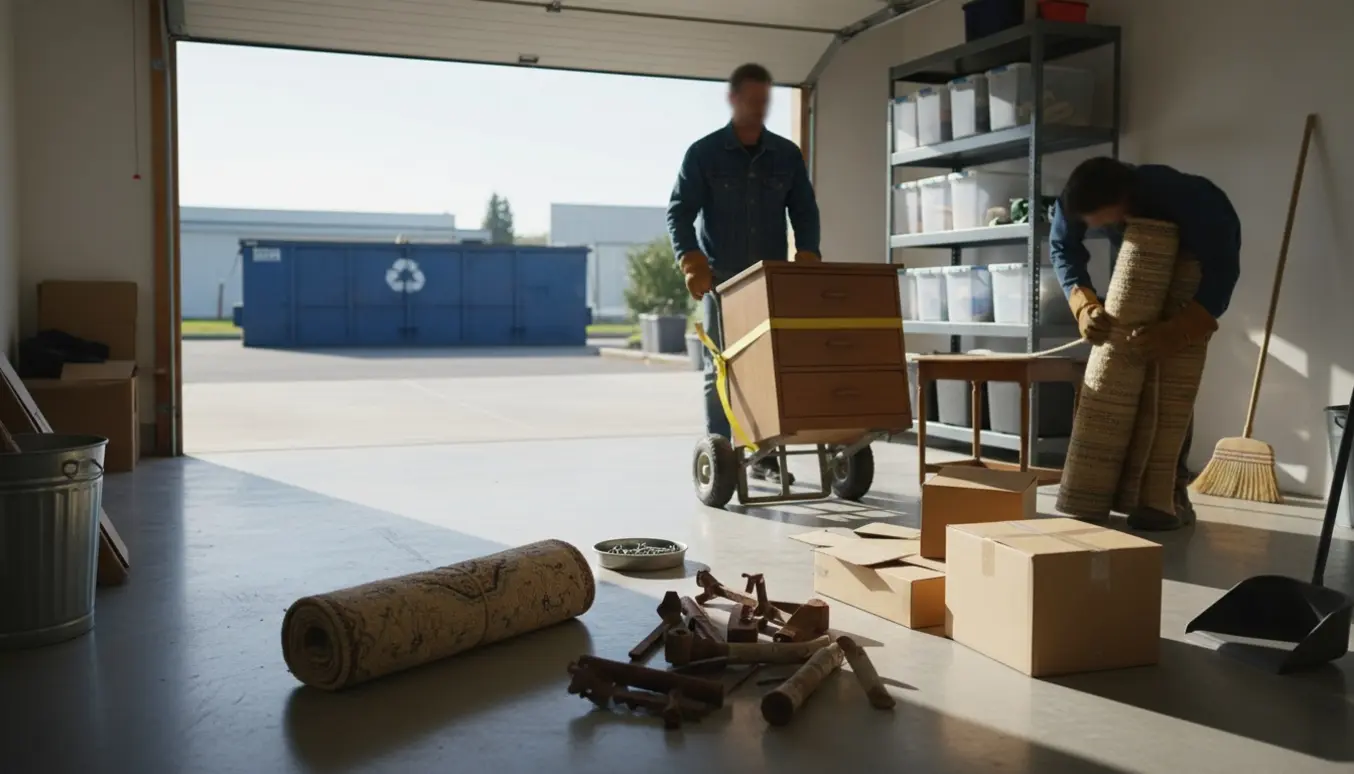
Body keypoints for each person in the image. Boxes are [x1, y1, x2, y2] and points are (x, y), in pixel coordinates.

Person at [1051, 157, 1241, 531]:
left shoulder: (1194, 200)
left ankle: (1168, 493)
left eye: (1099, 220)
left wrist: (1180, 330)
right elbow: (1064, 249)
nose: (1091, 227)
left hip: (1193, 265)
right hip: (1140, 267)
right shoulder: (1076, 199)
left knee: (1170, 384)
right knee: (1120, 372)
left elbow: (1222, 274)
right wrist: (1084, 305)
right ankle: (1100, 492)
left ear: (1123, 200)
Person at [667, 62, 821, 485]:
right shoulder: (704, 154)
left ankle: (766, 454)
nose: (759, 108)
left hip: (770, 280)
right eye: (752, 100)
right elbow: (679, 213)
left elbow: (804, 210)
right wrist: (692, 262)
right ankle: (723, 455)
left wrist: (807, 253)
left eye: (765, 101)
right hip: (722, 281)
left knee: (770, 367)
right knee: (722, 367)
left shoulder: (786, 155)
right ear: (733, 99)